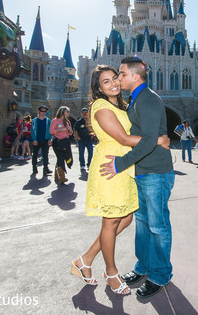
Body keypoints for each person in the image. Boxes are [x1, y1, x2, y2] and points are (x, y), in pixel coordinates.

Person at [71, 65, 170, 296]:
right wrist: (158, 140)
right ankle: (111, 273)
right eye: (106, 81)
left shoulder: (121, 105)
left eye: (115, 77)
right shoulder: (101, 106)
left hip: (124, 167)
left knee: (124, 219)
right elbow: (124, 138)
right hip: (111, 167)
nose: (114, 83)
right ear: (98, 88)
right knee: (111, 222)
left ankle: (85, 260)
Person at [100, 56, 175, 300]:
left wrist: (119, 164)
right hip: (142, 172)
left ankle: (161, 274)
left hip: (155, 172)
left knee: (157, 225)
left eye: (121, 74)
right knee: (142, 225)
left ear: (135, 76)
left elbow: (150, 140)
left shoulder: (149, 100)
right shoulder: (136, 99)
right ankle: (143, 267)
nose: (118, 78)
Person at [50, 106, 73, 183]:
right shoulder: (55, 121)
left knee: (61, 158)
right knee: (60, 157)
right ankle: (62, 177)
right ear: (62, 112)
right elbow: (51, 131)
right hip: (57, 142)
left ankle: (57, 176)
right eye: (67, 112)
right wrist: (60, 130)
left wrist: (70, 130)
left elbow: (70, 133)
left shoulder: (67, 122)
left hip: (65, 141)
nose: (68, 113)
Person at [31, 106, 52, 175]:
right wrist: (34, 139)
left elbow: (49, 130)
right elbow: (33, 130)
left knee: (46, 155)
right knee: (35, 155)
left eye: (44, 111)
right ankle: (34, 168)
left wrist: (49, 139)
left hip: (45, 140)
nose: (43, 112)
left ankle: (45, 168)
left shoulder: (47, 120)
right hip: (37, 140)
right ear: (39, 111)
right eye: (42, 111)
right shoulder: (34, 120)